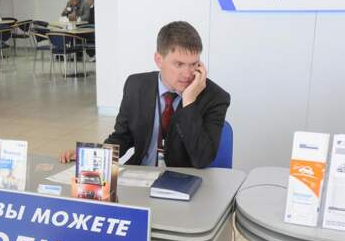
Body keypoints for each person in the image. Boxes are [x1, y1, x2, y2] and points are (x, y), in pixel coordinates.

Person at [60, 21, 230, 168]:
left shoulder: (215, 97)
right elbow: (122, 137)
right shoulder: (136, 85)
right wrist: (91, 156)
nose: (187, 73)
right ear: (159, 60)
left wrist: (189, 102)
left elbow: (202, 159)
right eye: (179, 64)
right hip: (142, 174)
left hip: (183, 180)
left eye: (193, 64)